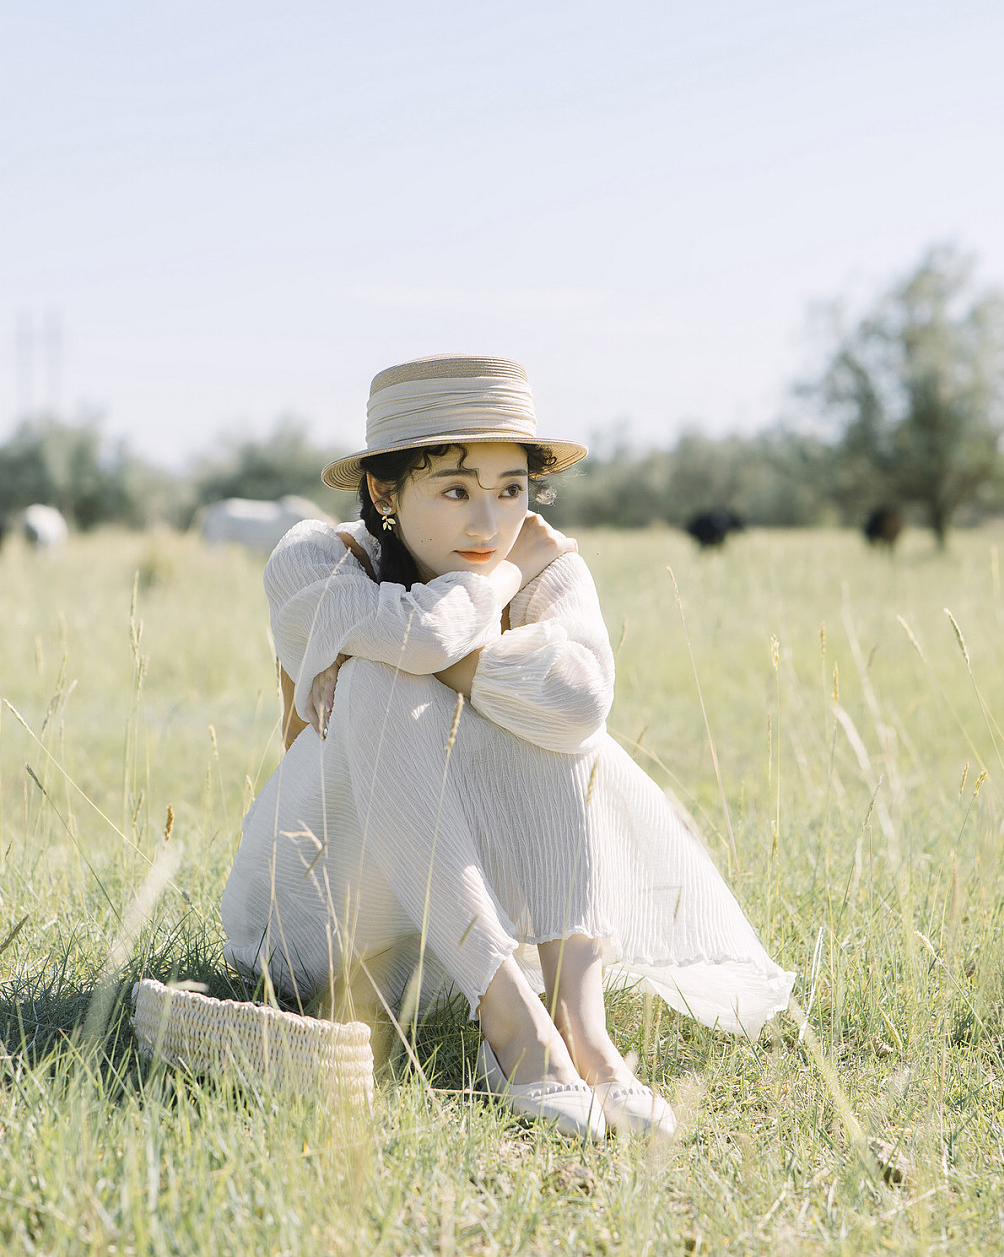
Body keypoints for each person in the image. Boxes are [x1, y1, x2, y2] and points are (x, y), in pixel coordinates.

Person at [221, 355, 794, 1140]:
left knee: (552, 716)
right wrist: (492, 592)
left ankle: (582, 1034)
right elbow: (415, 635)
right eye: (455, 490)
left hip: (483, 914)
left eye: (511, 490)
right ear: (385, 493)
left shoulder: (549, 562)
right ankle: (516, 1035)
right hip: (327, 913)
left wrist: (436, 653)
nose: (491, 526)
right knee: (380, 686)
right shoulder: (313, 558)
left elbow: (581, 699)